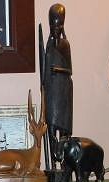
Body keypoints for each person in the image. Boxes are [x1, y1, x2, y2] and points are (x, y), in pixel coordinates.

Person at [42, 3, 73, 171]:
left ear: (61, 27)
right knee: (51, 125)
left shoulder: (65, 45)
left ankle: (65, 163)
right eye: (52, 27)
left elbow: (70, 70)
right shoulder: (48, 46)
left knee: (64, 128)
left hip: (63, 89)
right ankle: (53, 163)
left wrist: (56, 70)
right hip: (51, 90)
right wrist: (44, 82)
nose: (55, 30)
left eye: (57, 27)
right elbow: (44, 70)